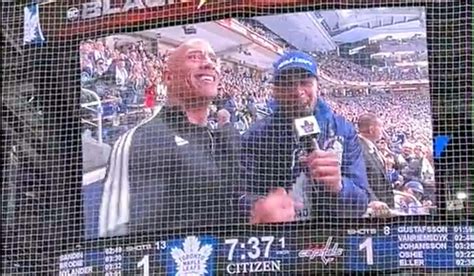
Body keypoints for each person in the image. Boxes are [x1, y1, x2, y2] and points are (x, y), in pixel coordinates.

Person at [98, 39, 240, 237]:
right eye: (195, 57)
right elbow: (115, 237)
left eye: (213, 59)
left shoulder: (214, 137)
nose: (209, 64)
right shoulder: (142, 140)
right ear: (169, 77)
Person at [241, 51, 370, 224]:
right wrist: (259, 206)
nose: (297, 91)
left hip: (333, 234)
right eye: (288, 84)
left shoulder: (342, 130)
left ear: (318, 86)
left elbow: (361, 202)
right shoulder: (255, 136)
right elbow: (239, 196)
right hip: (281, 237)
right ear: (275, 91)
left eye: (305, 82)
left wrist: (340, 186)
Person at [357, 113, 395, 209]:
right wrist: (373, 200)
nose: (382, 130)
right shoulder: (358, 148)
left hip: (384, 203)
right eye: (380, 127)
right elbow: (360, 180)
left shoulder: (371, 146)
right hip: (375, 208)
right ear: (371, 129)